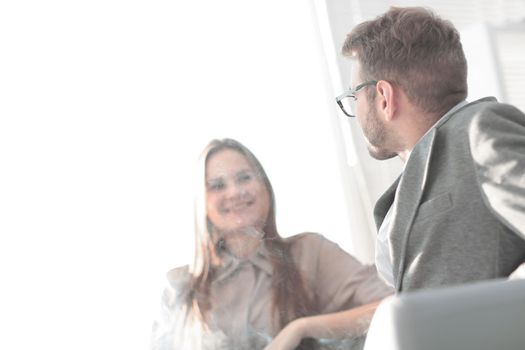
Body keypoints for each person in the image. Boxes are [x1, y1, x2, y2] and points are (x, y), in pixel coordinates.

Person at [336, 6, 525, 293]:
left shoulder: (480, 128)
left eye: (355, 96)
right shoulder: (410, 181)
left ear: (384, 97)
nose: (355, 109)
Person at [151, 138, 392, 350]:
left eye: (244, 178)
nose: (235, 192)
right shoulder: (181, 289)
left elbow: (389, 307)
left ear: (265, 186)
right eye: (217, 185)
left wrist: (300, 329)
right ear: (202, 204)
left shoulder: (310, 253)